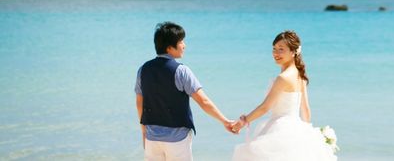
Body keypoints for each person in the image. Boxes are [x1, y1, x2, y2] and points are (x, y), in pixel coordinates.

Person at [230, 30, 337, 161]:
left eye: (281, 49)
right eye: (274, 49)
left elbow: (265, 107)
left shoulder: (283, 78)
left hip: (279, 129)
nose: (276, 53)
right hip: (295, 128)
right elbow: (305, 110)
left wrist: (244, 121)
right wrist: (307, 134)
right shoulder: (300, 75)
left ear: (293, 52)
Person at [135, 21, 235, 160]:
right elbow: (204, 101)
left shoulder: (143, 70)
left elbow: (139, 103)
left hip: (152, 137)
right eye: (181, 41)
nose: (184, 45)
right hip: (177, 139)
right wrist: (225, 121)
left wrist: (144, 131)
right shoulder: (181, 71)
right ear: (170, 48)